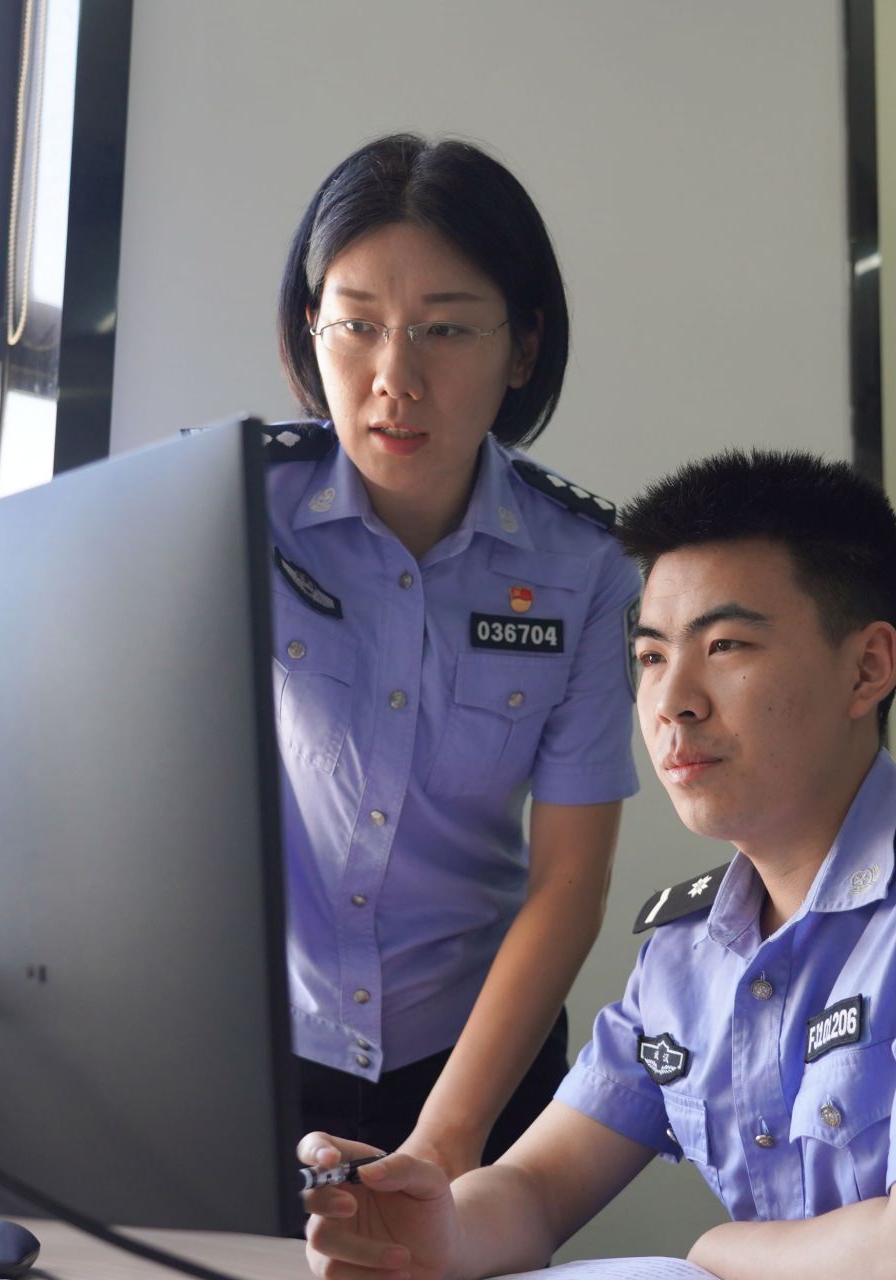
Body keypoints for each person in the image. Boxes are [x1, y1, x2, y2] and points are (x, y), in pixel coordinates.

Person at [298, 451, 896, 1279]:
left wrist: (719, 1253)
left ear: (867, 668)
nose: (672, 703)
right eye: (652, 657)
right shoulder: (688, 949)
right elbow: (536, 1189)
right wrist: (436, 1235)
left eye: (726, 645)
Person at [268, 134, 639, 1180]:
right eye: (358, 325)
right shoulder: (236, 514)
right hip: (257, 1051)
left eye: (445, 329)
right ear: (311, 328)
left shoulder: (585, 565)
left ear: (522, 348)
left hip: (476, 1058)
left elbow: (569, 877)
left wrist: (446, 1140)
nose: (396, 378)